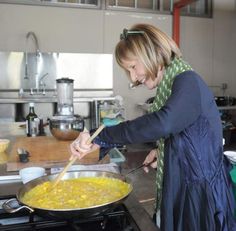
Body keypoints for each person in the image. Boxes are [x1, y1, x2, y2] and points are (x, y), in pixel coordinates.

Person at [70, 23, 236, 231]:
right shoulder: (173, 84)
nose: (133, 77)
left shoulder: (188, 81)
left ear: (154, 53)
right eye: (127, 70)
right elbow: (188, 133)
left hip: (200, 197)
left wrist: (102, 136)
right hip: (183, 188)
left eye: (133, 67)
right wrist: (163, 151)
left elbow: (163, 122)